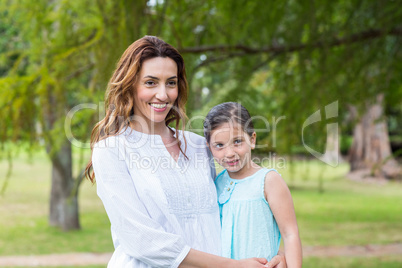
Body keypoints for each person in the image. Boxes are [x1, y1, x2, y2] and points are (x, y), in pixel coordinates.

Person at [85, 36, 286, 267]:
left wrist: (272, 254)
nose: (163, 94)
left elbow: (236, 206)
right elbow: (140, 240)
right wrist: (230, 266)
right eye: (150, 83)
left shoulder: (199, 145)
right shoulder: (112, 150)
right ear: (130, 85)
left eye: (171, 83)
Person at [204, 102, 302, 267]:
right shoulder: (215, 183)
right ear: (209, 147)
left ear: (252, 139)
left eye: (237, 142)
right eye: (219, 145)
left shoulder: (268, 181)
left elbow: (290, 234)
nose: (229, 153)